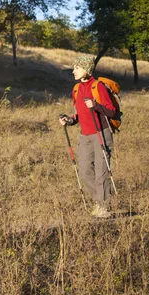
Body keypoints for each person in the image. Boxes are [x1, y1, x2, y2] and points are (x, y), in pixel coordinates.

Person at [59, 55, 116, 218]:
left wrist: (95, 105)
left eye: (77, 68)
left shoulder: (98, 87)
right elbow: (78, 114)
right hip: (85, 135)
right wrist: (68, 120)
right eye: (74, 67)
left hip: (101, 133)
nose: (73, 71)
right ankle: (99, 201)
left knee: (101, 171)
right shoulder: (76, 89)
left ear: (87, 69)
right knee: (84, 171)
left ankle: (104, 207)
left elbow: (111, 111)